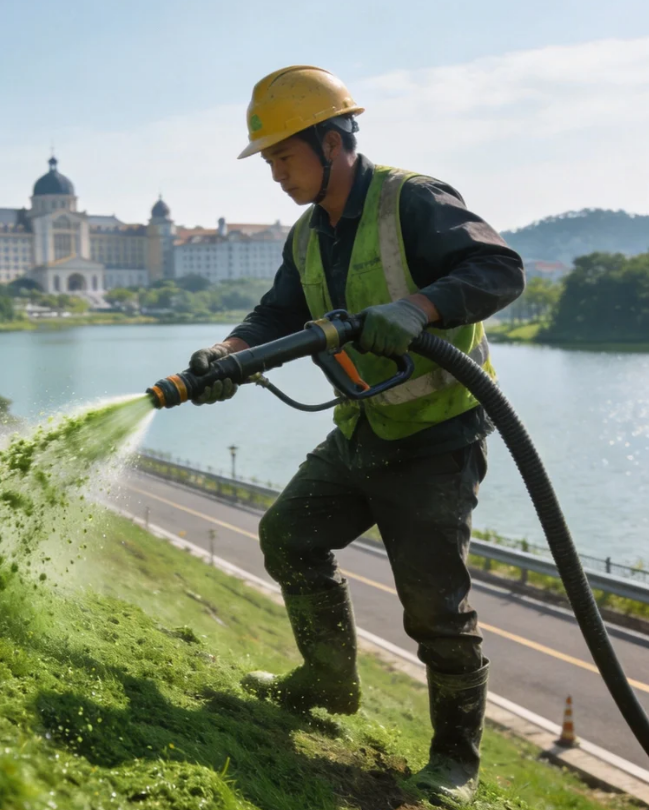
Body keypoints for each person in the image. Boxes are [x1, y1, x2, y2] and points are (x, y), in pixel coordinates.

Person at [188, 65, 525, 805]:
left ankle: (456, 760)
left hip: (436, 438)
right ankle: (328, 681)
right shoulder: (308, 234)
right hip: (362, 428)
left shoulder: (414, 200)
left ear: (332, 143)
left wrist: (421, 309)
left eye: (284, 156)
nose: (276, 174)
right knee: (289, 537)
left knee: (436, 611)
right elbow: (278, 315)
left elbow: (500, 269)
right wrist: (226, 353)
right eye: (269, 161)